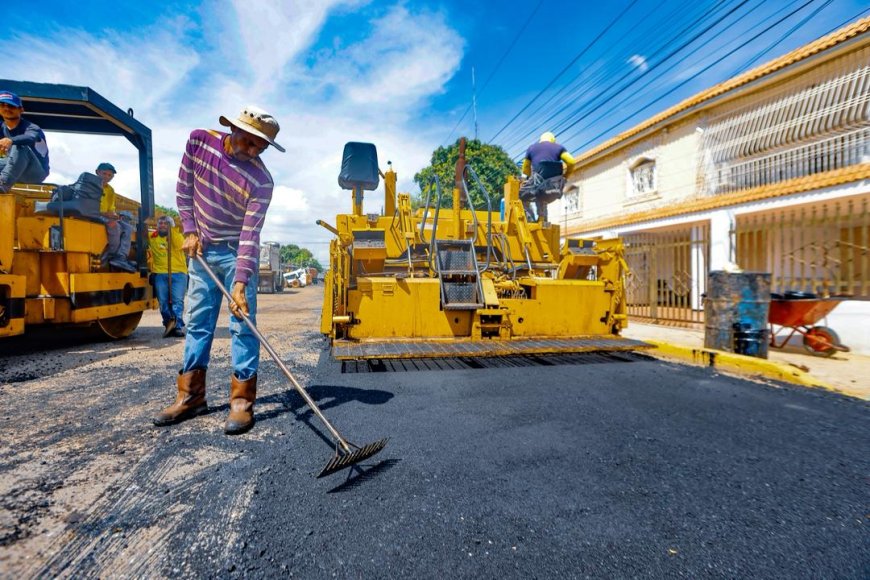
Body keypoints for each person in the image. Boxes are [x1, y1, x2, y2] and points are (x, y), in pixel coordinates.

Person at [153, 105, 284, 435]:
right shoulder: (199, 142)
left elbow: (250, 234)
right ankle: (191, 397)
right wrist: (189, 230)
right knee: (198, 323)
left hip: (234, 254)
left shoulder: (261, 181)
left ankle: (241, 403)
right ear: (234, 130)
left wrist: (240, 282)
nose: (253, 152)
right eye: (250, 142)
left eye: (261, 148)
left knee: (242, 324)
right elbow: (183, 190)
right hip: (201, 253)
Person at [520, 131, 576, 224]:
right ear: (553, 140)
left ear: (541, 140)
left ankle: (530, 219)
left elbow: (525, 169)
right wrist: (566, 176)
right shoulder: (559, 148)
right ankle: (543, 219)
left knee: (521, 196)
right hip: (554, 186)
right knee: (542, 196)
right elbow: (571, 162)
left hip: (538, 183)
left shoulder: (531, 148)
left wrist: (529, 179)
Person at [0, 90, 50, 193]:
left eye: (11, 106)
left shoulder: (32, 127)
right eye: (2, 105)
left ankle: (2, 186)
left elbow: (30, 138)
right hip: (10, 168)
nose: (6, 108)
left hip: (33, 172)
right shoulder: (1, 127)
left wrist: (10, 140)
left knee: (20, 146)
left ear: (21, 109)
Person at [149, 215, 188, 338]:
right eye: (160, 224)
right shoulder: (152, 237)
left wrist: (173, 231)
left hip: (179, 273)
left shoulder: (177, 236)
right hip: (160, 273)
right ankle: (168, 323)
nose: (163, 226)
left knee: (177, 301)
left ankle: (177, 327)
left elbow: (180, 245)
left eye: (166, 224)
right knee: (163, 302)